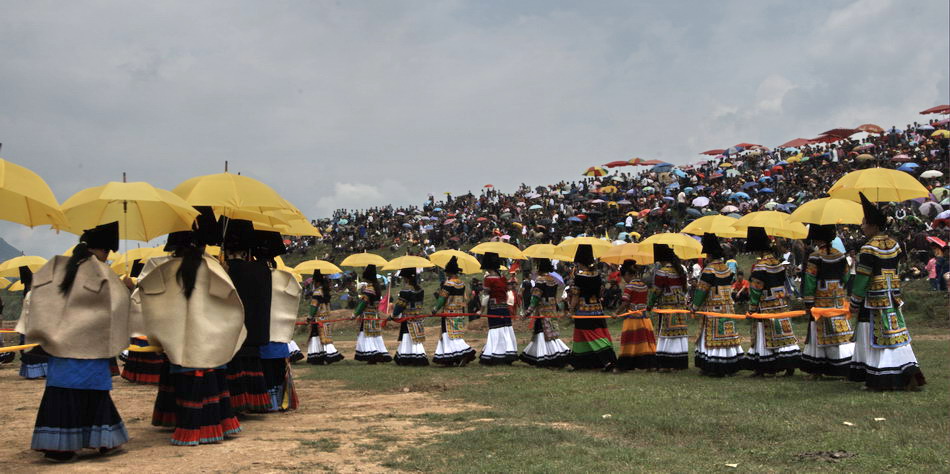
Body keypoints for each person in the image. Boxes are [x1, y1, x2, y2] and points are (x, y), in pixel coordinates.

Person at [19, 222, 130, 462]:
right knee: (95, 396)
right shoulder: (101, 272)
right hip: (91, 346)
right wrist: (127, 288)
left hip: (62, 348)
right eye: (107, 253)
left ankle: (59, 448)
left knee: (62, 395)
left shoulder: (59, 267)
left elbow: (38, 297)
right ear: (104, 251)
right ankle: (102, 442)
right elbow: (117, 306)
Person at [141, 225, 244, 446]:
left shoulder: (164, 270)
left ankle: (187, 429)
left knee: (185, 389)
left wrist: (161, 336)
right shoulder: (213, 268)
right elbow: (230, 304)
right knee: (210, 389)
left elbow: (149, 301)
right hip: (208, 343)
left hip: (179, 343)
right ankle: (213, 429)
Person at [849, 193, 926, 391]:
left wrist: (855, 301)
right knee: (896, 335)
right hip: (893, 296)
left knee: (880, 339)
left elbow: (863, 279)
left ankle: (884, 378)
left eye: (864, 222)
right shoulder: (895, 245)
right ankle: (907, 371)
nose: (862, 226)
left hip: (874, 299)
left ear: (873, 226)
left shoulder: (867, 249)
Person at [222, 219, 273, 413]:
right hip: (255, 332)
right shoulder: (262, 270)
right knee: (252, 367)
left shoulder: (227, 271)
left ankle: (237, 405)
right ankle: (255, 403)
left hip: (234, 332)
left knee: (235, 370)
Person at [744, 227, 801, 377]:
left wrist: (752, 308)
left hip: (765, 306)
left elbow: (756, 289)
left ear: (757, 249)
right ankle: (789, 364)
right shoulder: (777, 263)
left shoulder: (761, 266)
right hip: (780, 304)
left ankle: (763, 367)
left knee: (764, 336)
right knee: (784, 334)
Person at [800, 224, 854, 379]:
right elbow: (846, 276)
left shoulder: (815, 257)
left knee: (819, 334)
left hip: (820, 303)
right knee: (841, 334)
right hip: (837, 301)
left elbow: (810, 280)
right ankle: (845, 366)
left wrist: (808, 302)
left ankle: (817, 369)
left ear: (817, 238)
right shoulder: (840, 255)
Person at [256, 231, 301, 412]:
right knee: (277, 372)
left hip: (263, 337)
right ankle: (281, 402)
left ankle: (270, 402)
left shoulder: (257, 279)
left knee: (267, 372)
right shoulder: (286, 278)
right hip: (280, 337)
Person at [691, 234, 744, 376]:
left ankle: (713, 364)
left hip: (712, 309)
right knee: (728, 335)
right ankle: (730, 363)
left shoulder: (709, 270)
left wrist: (694, 307)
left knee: (713, 336)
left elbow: (701, 290)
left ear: (709, 255)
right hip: (727, 307)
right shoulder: (727, 269)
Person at [567, 244, 617, 370]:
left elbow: (576, 295)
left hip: (584, 311)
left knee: (592, 336)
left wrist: (571, 310)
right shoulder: (596, 274)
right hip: (597, 309)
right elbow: (601, 292)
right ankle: (580, 363)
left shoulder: (579, 276)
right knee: (580, 335)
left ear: (579, 261)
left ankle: (608, 362)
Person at [521, 257, 571, 368]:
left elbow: (535, 298)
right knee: (551, 334)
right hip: (552, 310)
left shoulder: (540, 280)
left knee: (543, 333)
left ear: (540, 267)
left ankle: (549, 356)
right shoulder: (553, 280)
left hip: (542, 310)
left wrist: (527, 312)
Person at [648, 244, 689, 371]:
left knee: (667, 334)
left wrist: (649, 304)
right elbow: (685, 288)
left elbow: (656, 291)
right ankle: (679, 363)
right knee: (679, 334)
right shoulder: (680, 270)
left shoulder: (662, 272)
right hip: (680, 307)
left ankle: (666, 363)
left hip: (666, 307)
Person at [431, 256, 477, 366]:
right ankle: (451, 356)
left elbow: (442, 299)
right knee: (456, 334)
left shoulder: (449, 284)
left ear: (449, 272)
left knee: (448, 334)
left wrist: (435, 309)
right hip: (459, 312)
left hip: (448, 313)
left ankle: (462, 353)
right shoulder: (461, 283)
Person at [614, 259, 657, 371]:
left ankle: (624, 366)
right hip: (644, 319)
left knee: (629, 343)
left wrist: (616, 313)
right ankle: (649, 365)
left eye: (624, 277)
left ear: (627, 274)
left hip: (632, 320)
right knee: (644, 343)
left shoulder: (630, 286)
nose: (624, 280)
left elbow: (625, 302)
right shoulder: (643, 285)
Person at [478, 252, 519, 365]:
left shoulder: (488, 279)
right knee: (506, 328)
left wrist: (480, 310)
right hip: (504, 307)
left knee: (495, 329)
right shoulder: (503, 278)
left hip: (493, 307)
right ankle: (508, 353)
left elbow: (486, 295)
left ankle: (495, 353)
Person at [352, 265, 392, 364]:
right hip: (375, 315)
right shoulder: (376, 287)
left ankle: (371, 354)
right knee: (375, 335)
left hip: (367, 316)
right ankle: (380, 353)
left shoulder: (369, 289)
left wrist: (355, 313)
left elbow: (363, 303)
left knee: (366, 334)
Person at [391, 268, 429, 366]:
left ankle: (407, 357)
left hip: (407, 319)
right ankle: (417, 356)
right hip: (417, 318)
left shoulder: (406, 291)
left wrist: (393, 315)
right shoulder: (420, 290)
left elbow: (399, 306)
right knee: (416, 339)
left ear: (406, 278)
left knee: (407, 336)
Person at [306, 270, 343, 364]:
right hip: (326, 318)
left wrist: (310, 316)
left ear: (316, 282)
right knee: (325, 337)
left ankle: (318, 356)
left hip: (318, 318)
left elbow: (314, 306)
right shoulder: (325, 291)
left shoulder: (317, 292)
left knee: (315, 336)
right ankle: (325, 355)